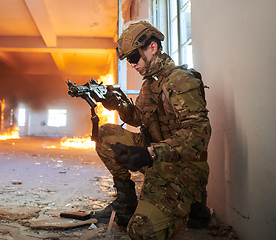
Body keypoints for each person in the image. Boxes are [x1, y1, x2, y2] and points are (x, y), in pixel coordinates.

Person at [90, 21, 211, 240]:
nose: (132, 64)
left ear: (152, 48)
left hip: (184, 165)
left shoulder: (181, 80)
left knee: (142, 232)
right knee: (106, 134)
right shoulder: (150, 83)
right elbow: (139, 119)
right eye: (128, 60)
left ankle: (194, 200)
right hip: (157, 157)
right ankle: (126, 204)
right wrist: (117, 103)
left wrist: (150, 153)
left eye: (134, 57)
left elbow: (199, 134)